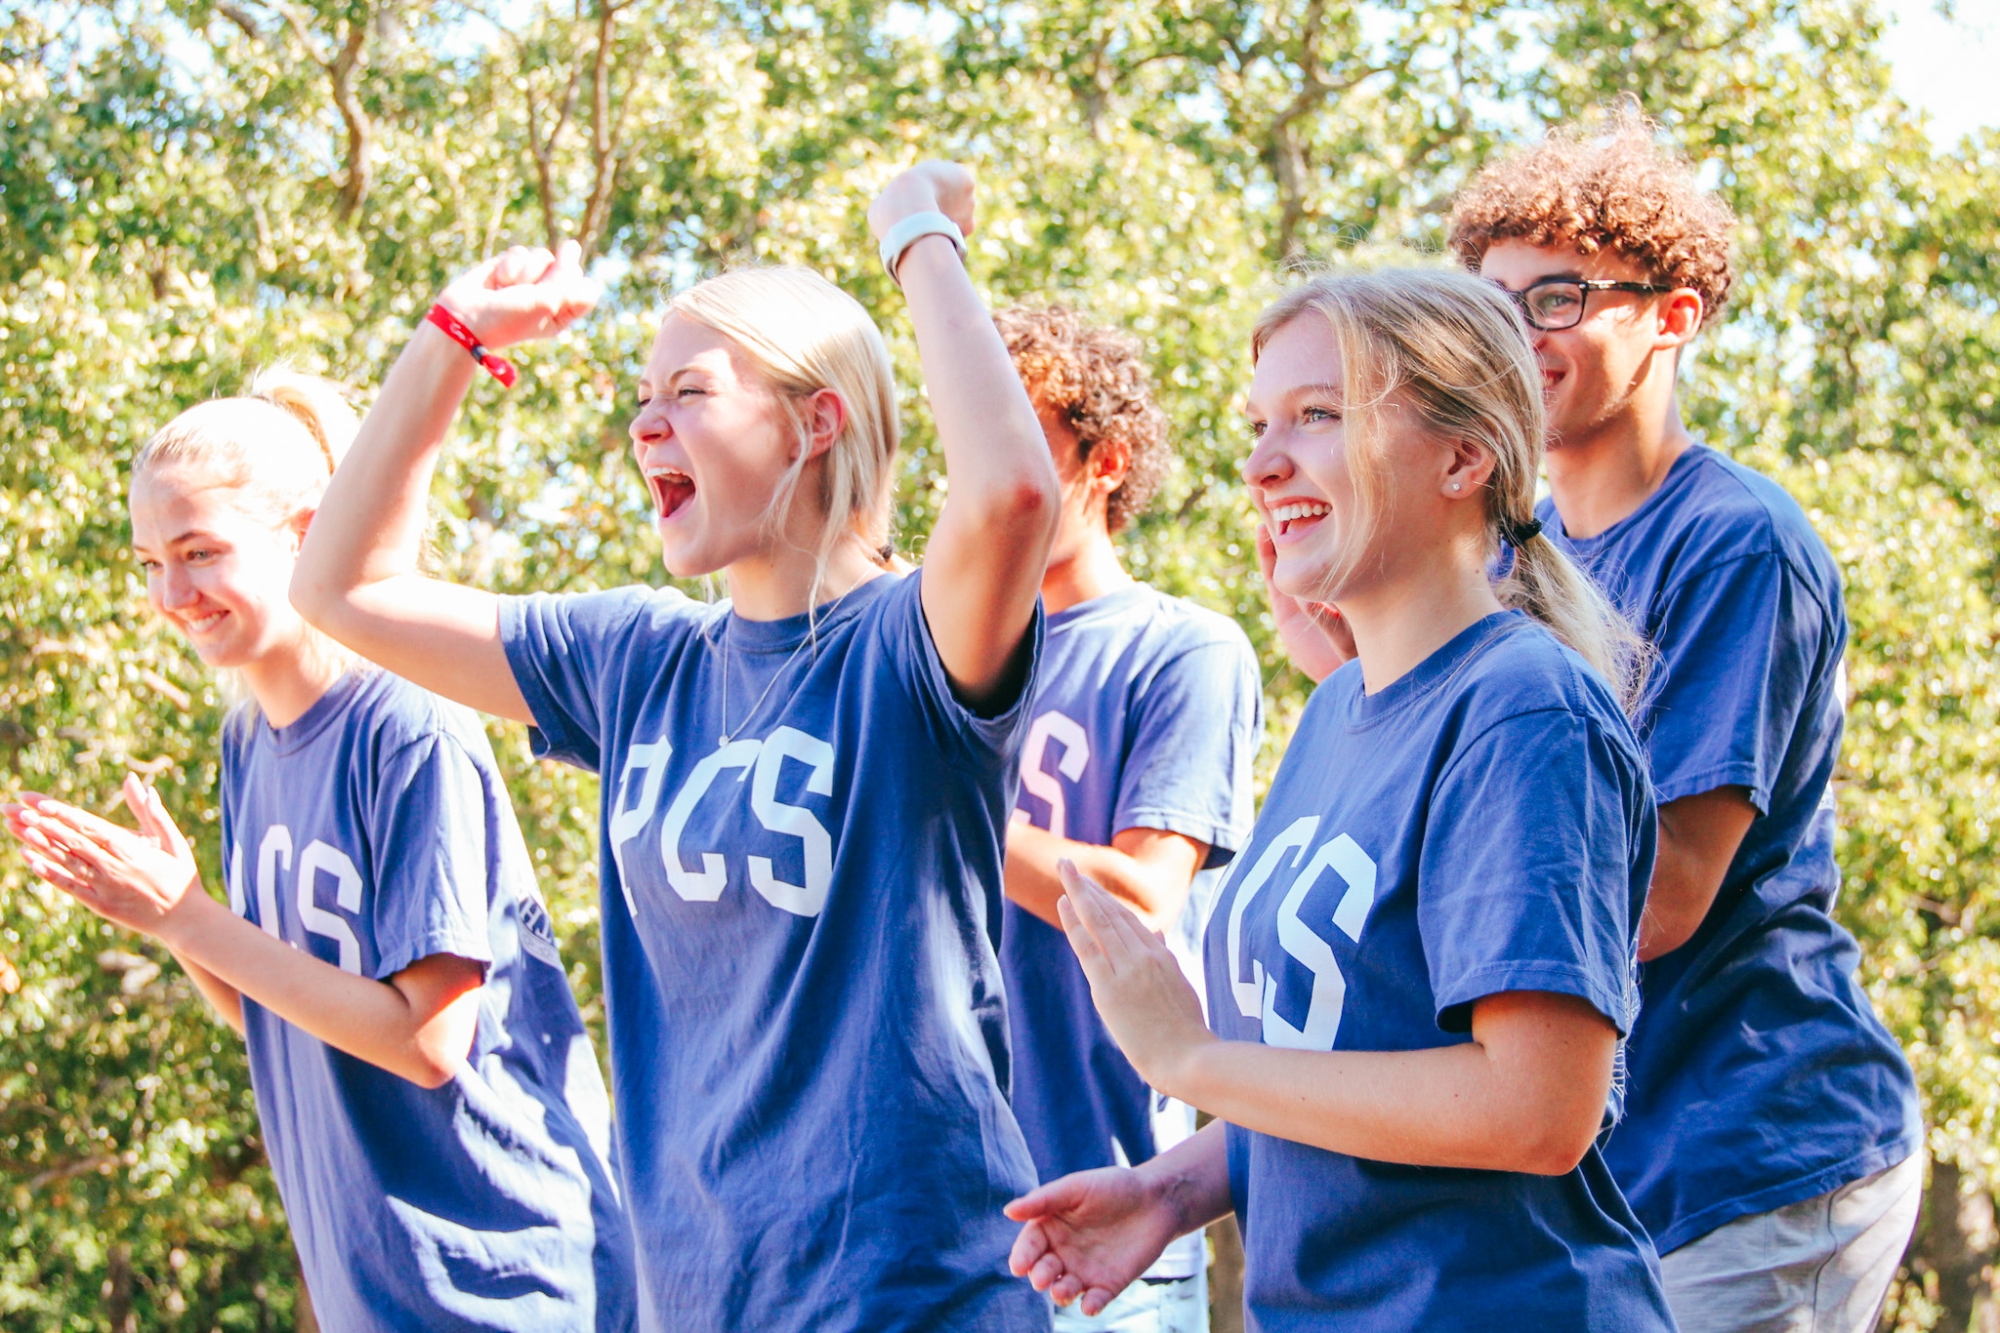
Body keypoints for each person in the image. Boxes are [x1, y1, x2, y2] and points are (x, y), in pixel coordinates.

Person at [287, 164, 1064, 1332]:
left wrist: (917, 237)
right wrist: (455, 333)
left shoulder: (907, 645)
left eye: (690, 392)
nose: (643, 424)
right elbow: (341, 588)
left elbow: (1008, 493)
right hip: (697, 1298)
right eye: (642, 396)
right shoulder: (636, 658)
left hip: (912, 1296)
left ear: (815, 421)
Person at [1005, 267, 1677, 1331]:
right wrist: (1168, 1192)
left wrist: (1190, 1060)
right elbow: (1335, 1065)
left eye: (1317, 414)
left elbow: (1536, 1110)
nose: (1261, 463)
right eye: (1259, 424)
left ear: (1463, 457)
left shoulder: (1522, 709)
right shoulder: (1333, 712)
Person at [3, 371, 636, 1332]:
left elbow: (427, 1041)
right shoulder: (247, 742)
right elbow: (276, 1017)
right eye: (150, 562)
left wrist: (188, 916)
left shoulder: (409, 725)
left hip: (510, 1282)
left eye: (200, 552)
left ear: (305, 533)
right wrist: (170, 918)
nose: (172, 593)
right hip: (376, 1288)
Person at [1450, 110, 1923, 1332]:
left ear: (1671, 317)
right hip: (1614, 1160)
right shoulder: (1509, 559)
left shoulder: (1733, 543)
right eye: (1491, 304)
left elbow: (1658, 898)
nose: (1515, 334)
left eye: (1555, 298)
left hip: (1754, 1147)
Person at [992, 306, 1263, 1333]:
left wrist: (945, 803)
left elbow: (1144, 896)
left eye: (1020, 438)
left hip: (1103, 1204)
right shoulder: (938, 652)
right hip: (929, 1208)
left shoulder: (1182, 649)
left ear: (1101, 463)